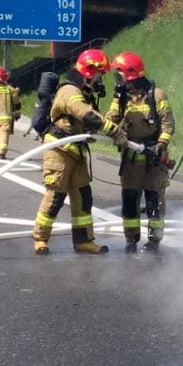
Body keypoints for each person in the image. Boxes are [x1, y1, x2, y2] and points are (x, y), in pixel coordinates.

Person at [32, 48, 130, 255]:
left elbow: (94, 120)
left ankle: (84, 240)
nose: (100, 79)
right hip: (59, 149)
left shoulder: (84, 93)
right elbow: (86, 115)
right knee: (55, 196)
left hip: (76, 150)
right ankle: (40, 238)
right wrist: (114, 132)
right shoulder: (70, 92)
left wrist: (116, 102)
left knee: (83, 197)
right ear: (88, 71)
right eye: (99, 74)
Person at [106, 52, 175, 252]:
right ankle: (131, 240)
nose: (116, 78)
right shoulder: (121, 96)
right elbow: (111, 118)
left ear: (131, 73)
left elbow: (168, 125)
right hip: (131, 158)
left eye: (119, 73)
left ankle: (154, 241)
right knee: (129, 199)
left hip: (154, 159)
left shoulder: (157, 95)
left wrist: (160, 146)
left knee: (154, 200)